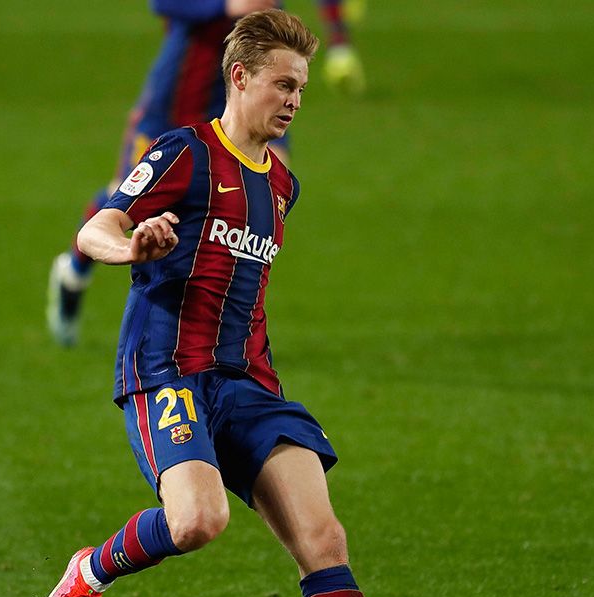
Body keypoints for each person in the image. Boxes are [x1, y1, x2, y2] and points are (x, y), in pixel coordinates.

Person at [34, 11, 458, 597]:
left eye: (301, 86)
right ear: (240, 77)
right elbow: (94, 227)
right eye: (282, 84)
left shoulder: (283, 183)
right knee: (200, 521)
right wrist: (132, 244)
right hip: (167, 373)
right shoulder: (184, 153)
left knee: (322, 534)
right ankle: (89, 572)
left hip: (249, 383)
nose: (295, 99)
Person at [46, 0, 365, 347]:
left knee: (268, 186)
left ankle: (219, 325)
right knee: (126, 194)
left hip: (256, 91)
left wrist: (339, 40)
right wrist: (225, 6)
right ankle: (73, 274)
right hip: (181, 92)